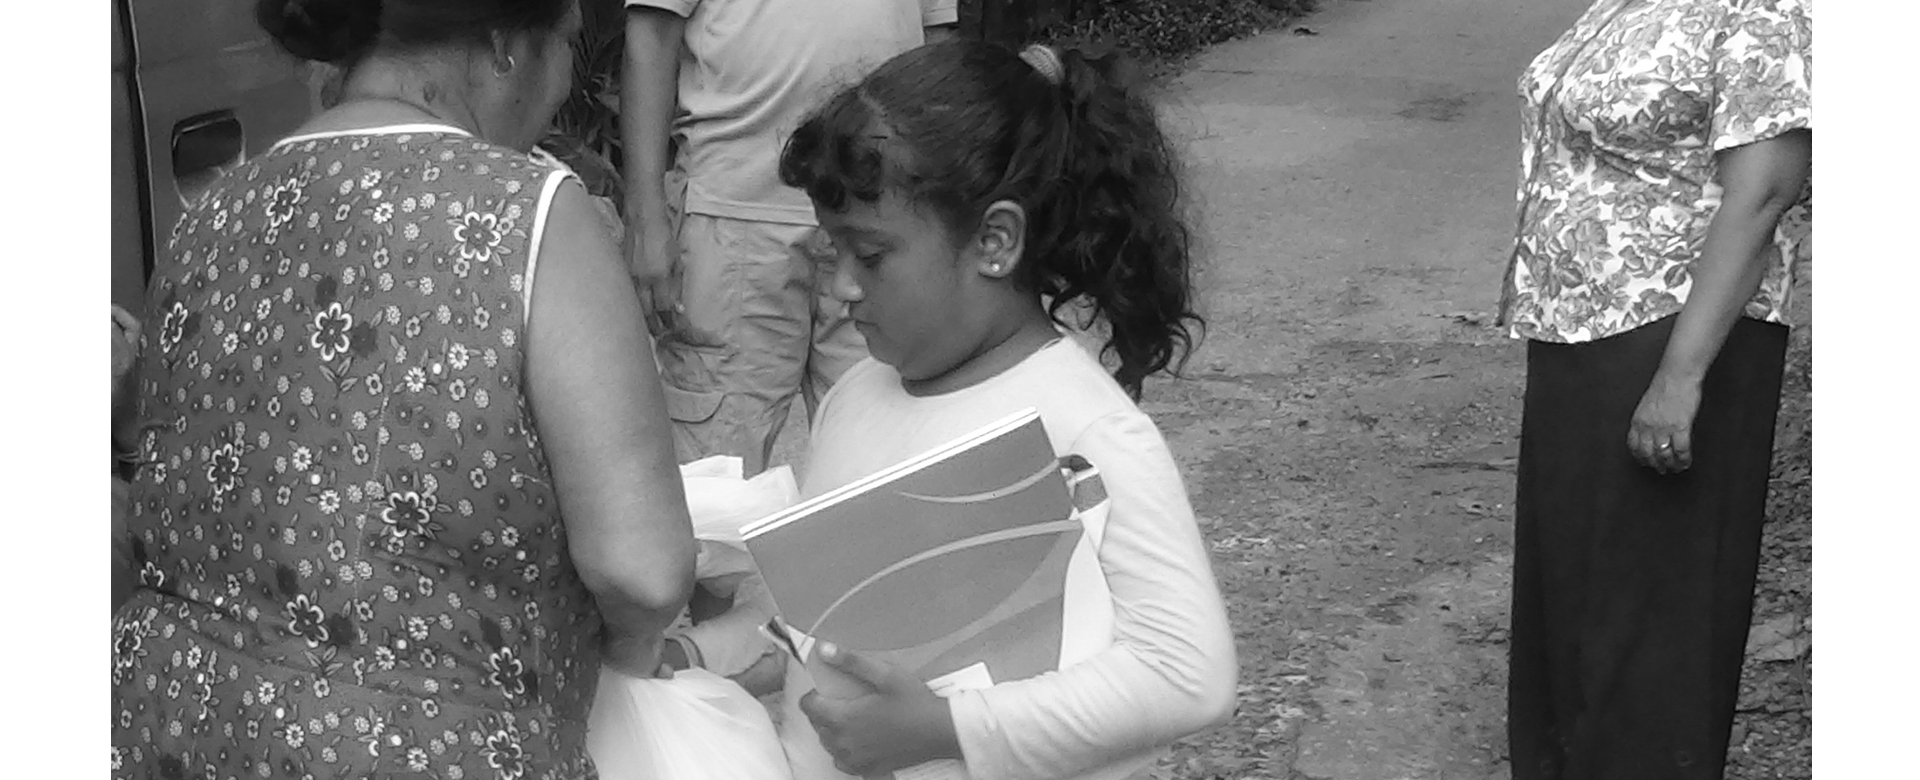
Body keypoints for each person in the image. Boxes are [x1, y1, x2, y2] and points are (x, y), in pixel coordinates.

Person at [110, 1, 699, 777]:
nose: (566, 82)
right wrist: (633, 649)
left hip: (170, 727)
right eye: (564, 43)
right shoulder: (529, 215)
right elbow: (643, 571)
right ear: (502, 44)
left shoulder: (212, 214)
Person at [758, 41, 1238, 780]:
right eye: (833, 252)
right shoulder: (854, 396)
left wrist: (947, 729)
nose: (841, 287)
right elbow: (828, 625)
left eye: (871, 255)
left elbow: (1186, 674)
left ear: (994, 241)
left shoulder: (1083, 426)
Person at [1496, 0, 1812, 777]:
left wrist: (1680, 377)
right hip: (1579, 333)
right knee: (1570, 596)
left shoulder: (1760, 11)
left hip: (1675, 335)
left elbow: (1765, 191)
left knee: (1651, 611)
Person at [619, 0, 958, 478]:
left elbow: (936, 48)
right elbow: (651, 37)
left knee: (886, 462)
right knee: (718, 473)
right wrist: (645, 216)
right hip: (735, 216)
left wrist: (943, 214)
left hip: (886, 214)